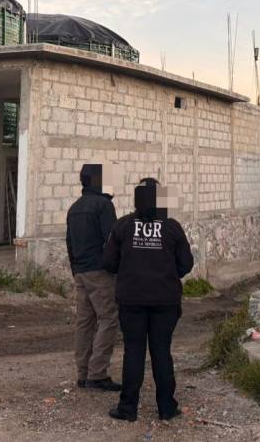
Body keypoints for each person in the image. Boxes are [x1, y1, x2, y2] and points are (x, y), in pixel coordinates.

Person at [103, 177, 194, 422]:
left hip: (131, 300)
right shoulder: (172, 227)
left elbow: (109, 262)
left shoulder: (123, 226)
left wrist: (129, 270)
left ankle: (128, 408)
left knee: (133, 351)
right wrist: (167, 274)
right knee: (161, 351)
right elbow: (186, 264)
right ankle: (166, 408)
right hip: (165, 300)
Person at [65, 164, 120, 391]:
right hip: (99, 271)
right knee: (109, 318)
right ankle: (97, 374)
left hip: (81, 272)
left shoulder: (74, 208)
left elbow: (69, 243)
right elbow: (112, 240)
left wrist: (75, 270)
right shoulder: (104, 205)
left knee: (85, 322)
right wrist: (116, 269)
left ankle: (83, 373)